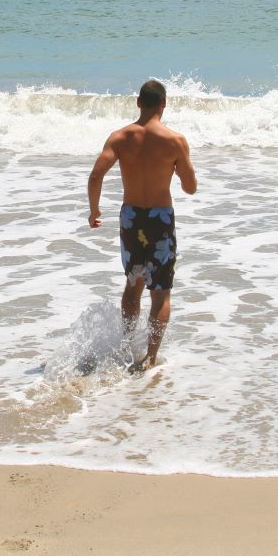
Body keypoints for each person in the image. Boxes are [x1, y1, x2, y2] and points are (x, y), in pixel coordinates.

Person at [87, 79, 197, 374]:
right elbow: (190, 188)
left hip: (131, 217)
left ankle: (125, 345)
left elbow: (95, 176)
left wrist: (94, 210)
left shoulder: (120, 137)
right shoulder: (175, 141)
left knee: (133, 284)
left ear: (138, 103)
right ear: (164, 104)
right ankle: (149, 357)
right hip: (160, 218)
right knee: (160, 291)